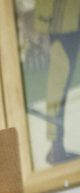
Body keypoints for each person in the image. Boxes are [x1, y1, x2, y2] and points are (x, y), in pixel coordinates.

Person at [36, 0, 80, 164]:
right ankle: (56, 148)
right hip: (63, 24)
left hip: (72, 20)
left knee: (60, 85)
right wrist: (43, 22)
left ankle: (57, 148)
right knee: (58, 87)